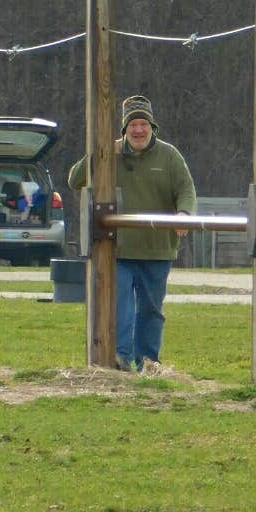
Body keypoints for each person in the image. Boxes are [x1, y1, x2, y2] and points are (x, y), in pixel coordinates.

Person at [68, 94, 196, 372]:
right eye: (133, 125)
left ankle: (148, 363)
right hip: (119, 248)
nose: (138, 130)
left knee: (151, 310)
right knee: (120, 307)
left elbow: (185, 190)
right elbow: (74, 180)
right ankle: (121, 360)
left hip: (157, 248)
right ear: (124, 129)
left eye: (143, 124)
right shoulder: (109, 153)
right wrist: (99, 152)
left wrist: (184, 214)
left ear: (152, 127)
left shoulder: (169, 155)